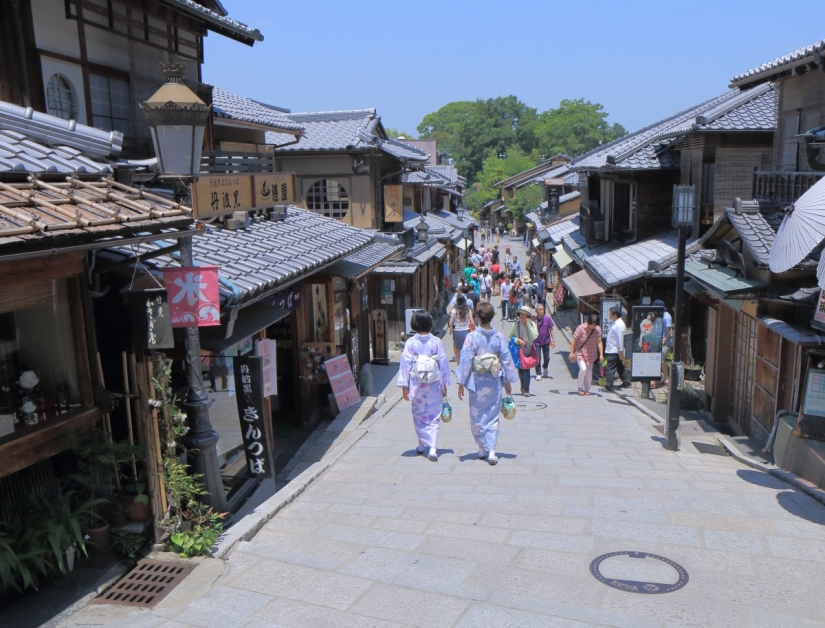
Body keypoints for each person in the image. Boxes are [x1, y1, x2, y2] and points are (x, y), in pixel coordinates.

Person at [455, 302, 518, 465]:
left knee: (477, 414)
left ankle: (482, 447)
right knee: (492, 415)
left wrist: (461, 382)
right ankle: (491, 450)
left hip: (477, 383)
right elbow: (506, 358)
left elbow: (466, 361)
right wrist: (507, 380)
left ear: (477, 317)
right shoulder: (498, 336)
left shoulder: (472, 337)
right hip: (494, 381)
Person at [396, 311, 451, 461]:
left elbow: (405, 364)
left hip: (417, 383)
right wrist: (444, 383)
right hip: (433, 383)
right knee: (434, 414)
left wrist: (404, 386)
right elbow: (443, 363)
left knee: (419, 414)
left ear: (414, 324)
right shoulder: (436, 342)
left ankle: (422, 444)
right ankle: (431, 447)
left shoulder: (411, 343)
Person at [569, 314, 604, 396]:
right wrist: (571, 352)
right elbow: (574, 340)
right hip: (580, 352)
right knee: (583, 369)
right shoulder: (580, 328)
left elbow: (599, 341)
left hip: (591, 353)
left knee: (589, 372)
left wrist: (601, 354)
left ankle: (587, 389)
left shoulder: (598, 329)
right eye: (591, 325)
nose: (592, 327)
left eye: (594, 325)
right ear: (588, 322)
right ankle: (580, 388)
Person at [509, 306, 538, 396]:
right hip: (519, 349)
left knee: (527, 369)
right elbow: (510, 336)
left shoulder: (532, 324)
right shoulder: (516, 324)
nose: (522, 316)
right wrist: (517, 340)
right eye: (521, 313)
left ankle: (527, 389)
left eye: (524, 314)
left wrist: (528, 325)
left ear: (528, 316)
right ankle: (522, 383)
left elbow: (534, 336)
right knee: (521, 369)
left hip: (529, 349)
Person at [602, 307, 630, 392]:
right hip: (614, 350)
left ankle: (608, 386)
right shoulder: (617, 323)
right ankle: (627, 382)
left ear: (615, 315)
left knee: (610, 368)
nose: (609, 315)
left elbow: (620, 339)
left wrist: (621, 351)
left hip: (614, 351)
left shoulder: (619, 325)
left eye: (610, 313)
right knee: (619, 367)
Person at [448, 294, 473, 363]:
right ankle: (466, 365)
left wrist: (451, 329)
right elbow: (472, 322)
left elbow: (450, 322)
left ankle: (458, 366)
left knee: (457, 350)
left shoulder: (454, 311)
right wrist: (473, 330)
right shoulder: (467, 311)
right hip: (466, 331)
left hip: (457, 331)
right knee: (466, 349)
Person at [533, 304, 555, 381]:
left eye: (542, 309)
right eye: (540, 309)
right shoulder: (533, 320)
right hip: (537, 342)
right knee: (537, 357)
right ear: (536, 311)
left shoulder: (547, 319)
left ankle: (545, 367)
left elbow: (551, 330)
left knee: (547, 358)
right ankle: (538, 373)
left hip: (546, 341)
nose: (542, 311)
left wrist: (553, 340)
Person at [654, 300, 673, 387]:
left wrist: (664, 340)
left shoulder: (666, 316)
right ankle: (665, 379)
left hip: (665, 342)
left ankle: (658, 380)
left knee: (660, 360)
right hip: (659, 341)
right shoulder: (660, 315)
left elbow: (669, 331)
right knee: (662, 361)